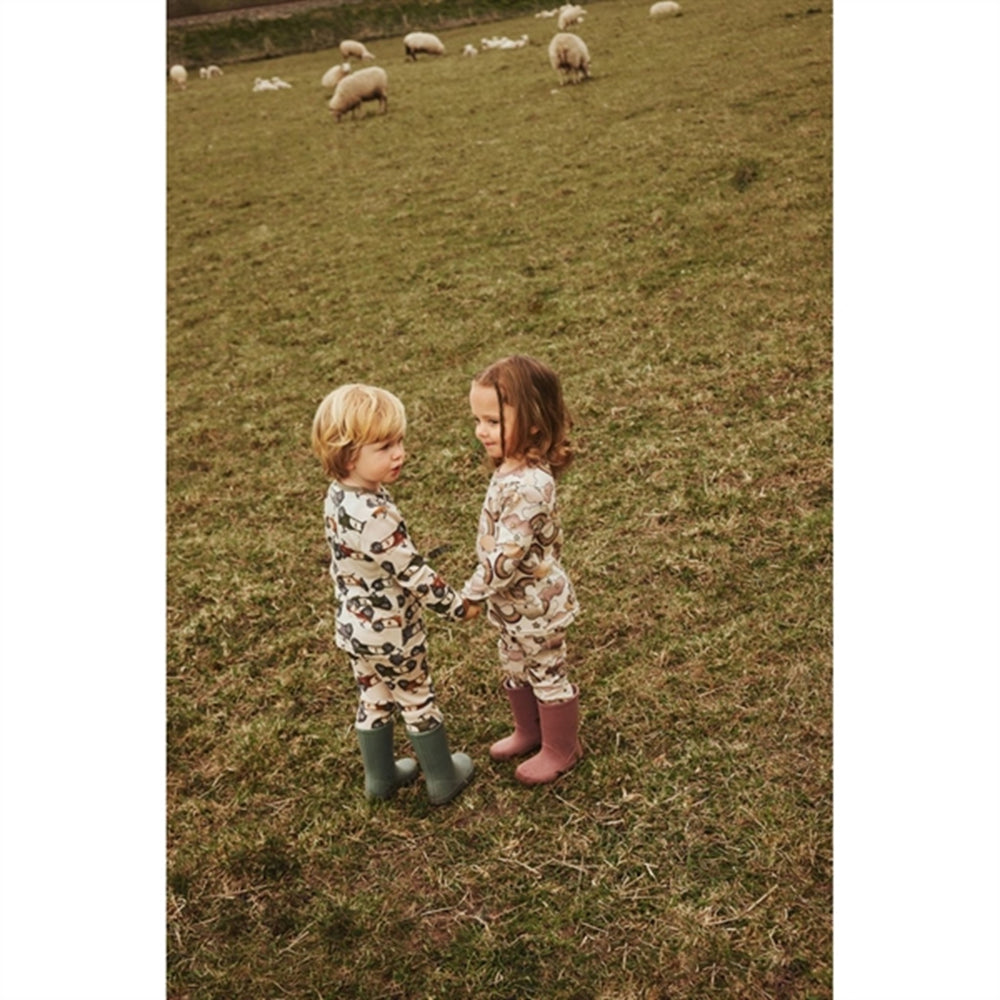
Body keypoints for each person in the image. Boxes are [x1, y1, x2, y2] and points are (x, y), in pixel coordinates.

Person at [311, 383, 479, 805]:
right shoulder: (376, 515)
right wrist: (456, 606)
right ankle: (442, 777)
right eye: (385, 446)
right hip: (392, 634)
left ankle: (381, 778)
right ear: (349, 454)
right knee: (415, 696)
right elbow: (412, 573)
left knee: (373, 696)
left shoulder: (338, 496)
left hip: (354, 628)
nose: (399, 453)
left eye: (399, 441)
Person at [460, 355, 583, 785]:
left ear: (532, 422)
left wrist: (472, 592)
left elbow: (507, 556)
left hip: (537, 607)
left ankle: (562, 748)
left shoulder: (531, 485)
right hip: (511, 607)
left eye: (493, 421)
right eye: (478, 420)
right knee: (514, 664)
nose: (481, 431)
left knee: (546, 670)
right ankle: (529, 731)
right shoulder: (509, 468)